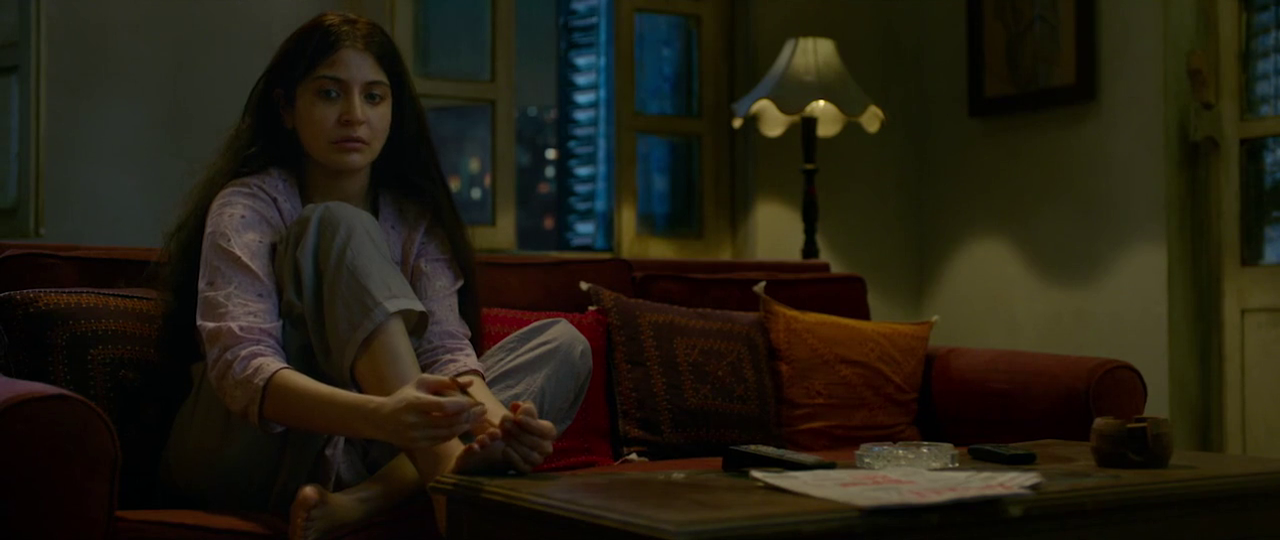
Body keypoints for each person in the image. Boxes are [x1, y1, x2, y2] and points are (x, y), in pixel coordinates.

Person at [154, 11, 592, 540]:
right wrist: (381, 415)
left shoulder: (415, 221)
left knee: (563, 345)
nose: (354, 116)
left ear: (393, 110)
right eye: (330, 94)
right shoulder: (249, 205)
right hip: (246, 456)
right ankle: (446, 482)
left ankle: (364, 501)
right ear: (286, 108)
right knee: (337, 225)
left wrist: (500, 422)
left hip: (363, 456)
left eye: (374, 97)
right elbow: (243, 370)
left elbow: (446, 354)